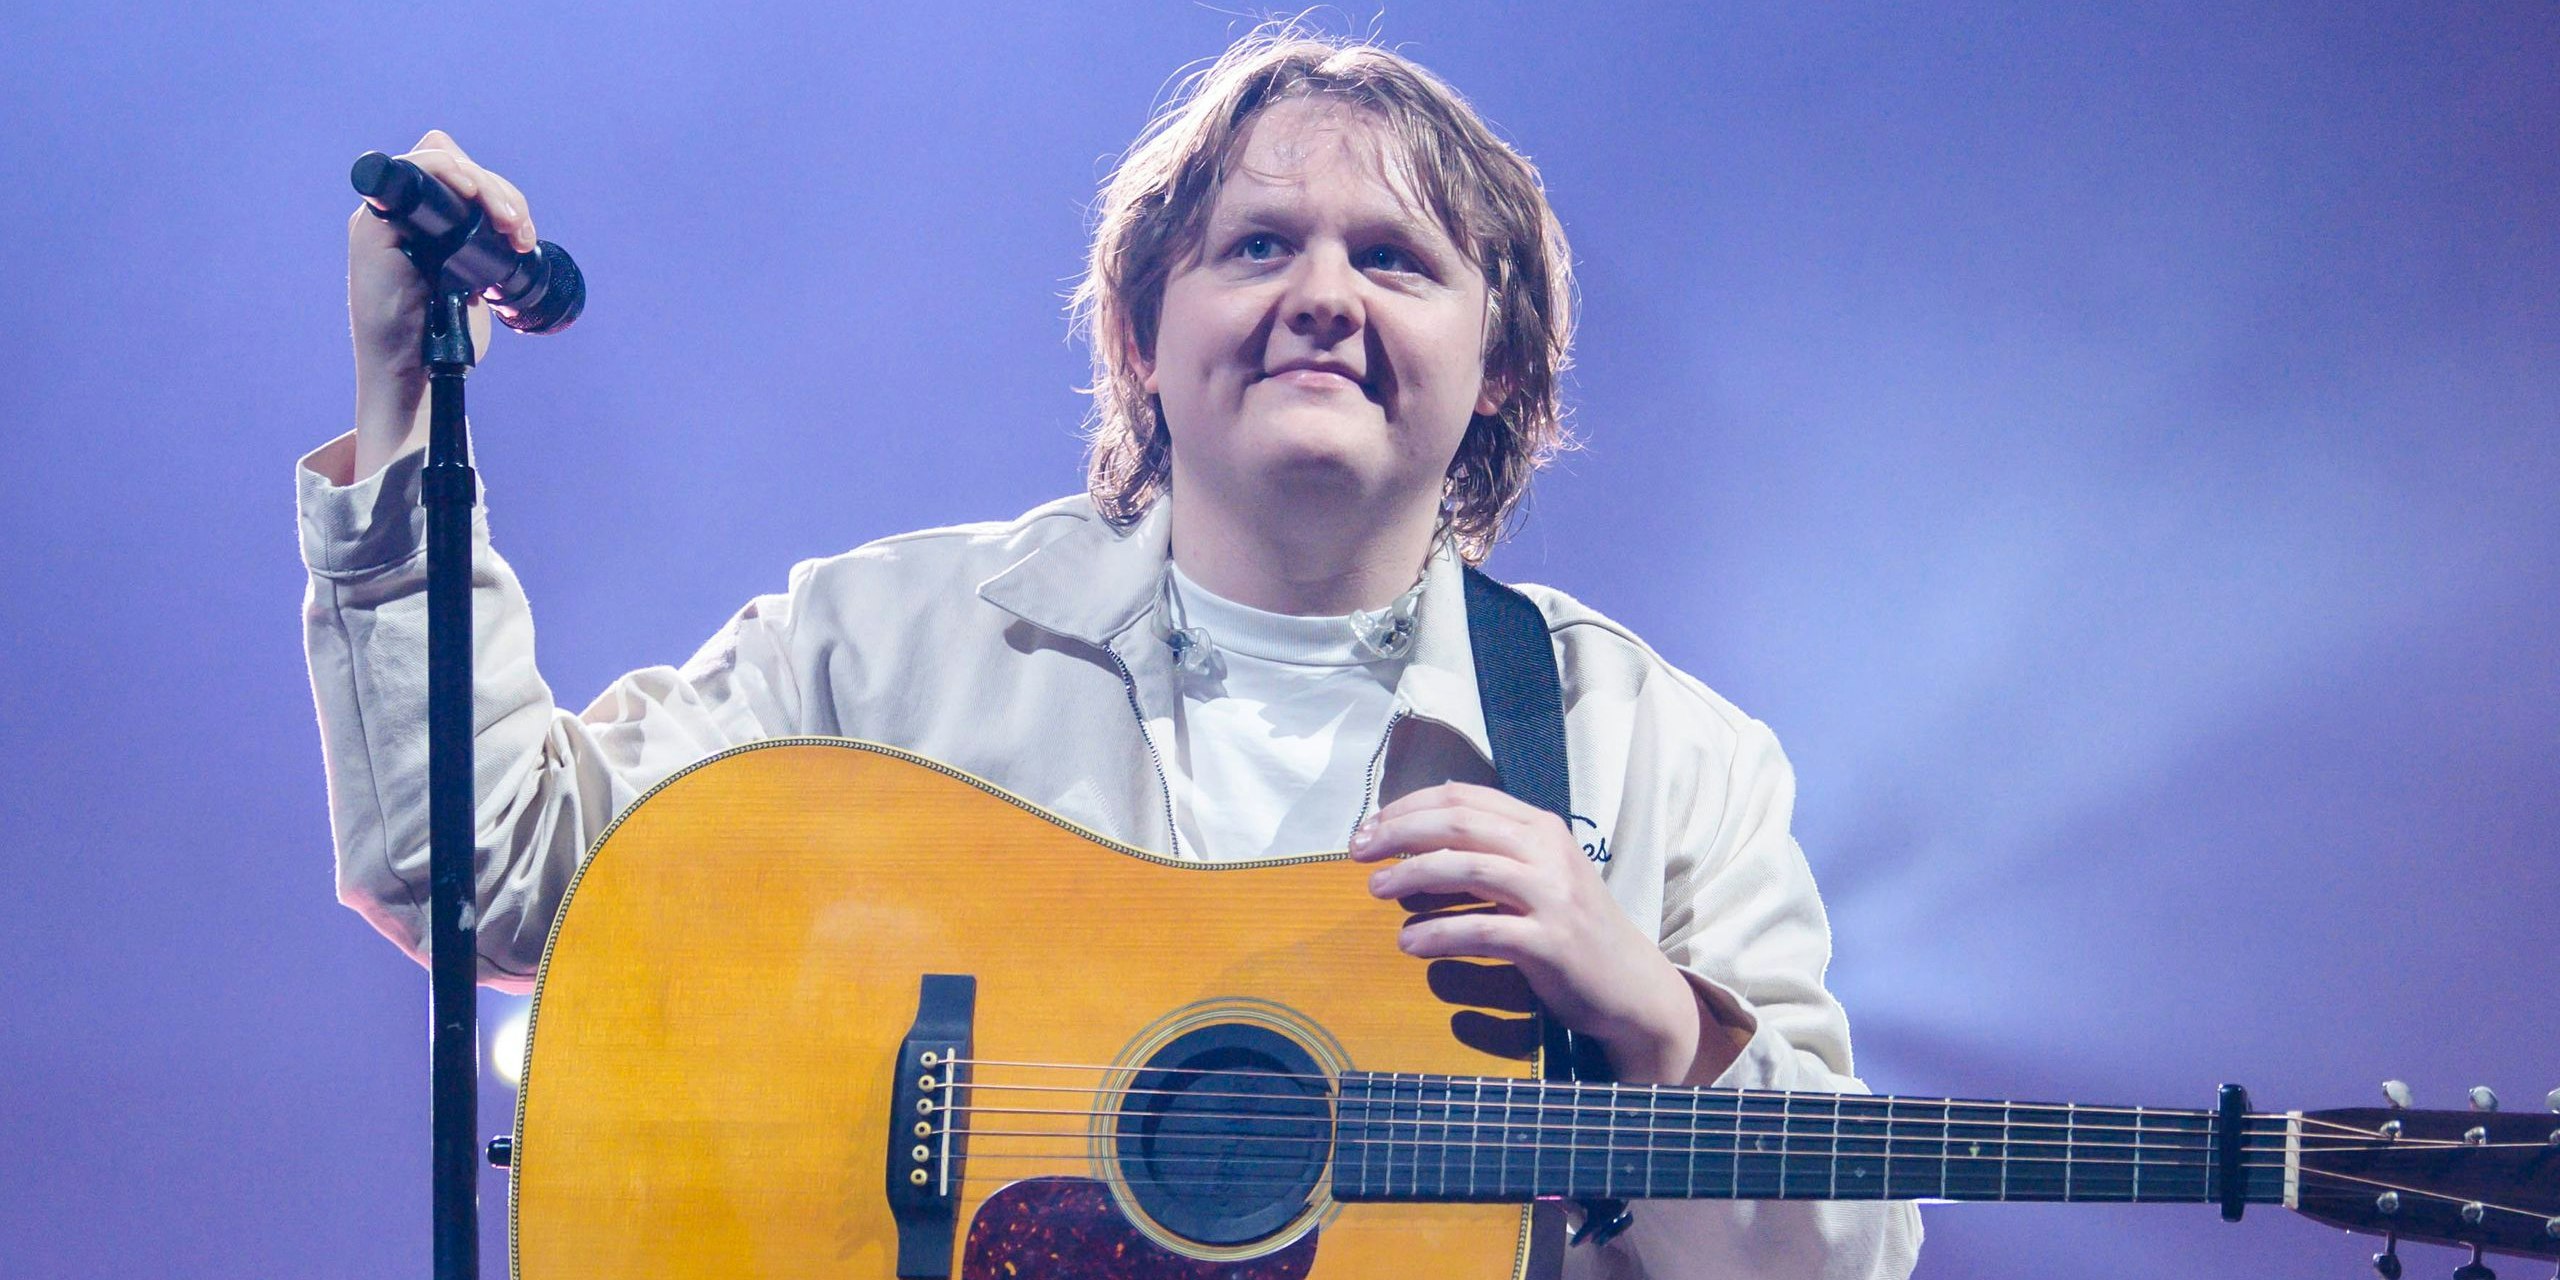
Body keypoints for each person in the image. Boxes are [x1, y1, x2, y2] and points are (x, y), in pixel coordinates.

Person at [300, 25, 1922, 1280]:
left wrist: (1668, 1034)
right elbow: (475, 869)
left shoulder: (1668, 759)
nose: (1324, 296)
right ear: (1142, 335)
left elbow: (1841, 1263)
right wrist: (401, 398)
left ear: (1498, 364)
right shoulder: (877, 650)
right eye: (1259, 245)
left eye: (1396, 258)